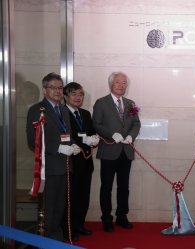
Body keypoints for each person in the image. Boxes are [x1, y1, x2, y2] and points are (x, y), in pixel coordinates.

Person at [26, 72, 81, 241]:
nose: (57, 91)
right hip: (48, 167)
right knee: (48, 208)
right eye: (53, 87)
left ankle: (56, 238)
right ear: (44, 90)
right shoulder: (37, 110)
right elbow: (33, 139)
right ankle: (45, 239)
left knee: (59, 207)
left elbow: (67, 134)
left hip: (64, 166)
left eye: (60, 87)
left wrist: (72, 144)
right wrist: (58, 148)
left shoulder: (63, 110)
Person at [92, 71, 141, 232]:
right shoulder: (101, 103)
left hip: (126, 151)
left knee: (124, 187)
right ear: (111, 84)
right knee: (106, 186)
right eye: (118, 82)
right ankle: (106, 218)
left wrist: (131, 137)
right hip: (108, 151)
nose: (121, 85)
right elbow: (97, 124)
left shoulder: (130, 103)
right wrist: (112, 134)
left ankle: (122, 216)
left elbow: (136, 124)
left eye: (124, 83)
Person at [61, 82, 99, 241]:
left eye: (80, 94)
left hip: (85, 162)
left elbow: (90, 132)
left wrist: (94, 138)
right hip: (70, 162)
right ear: (65, 96)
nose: (78, 97)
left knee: (83, 196)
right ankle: (67, 228)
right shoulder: (61, 113)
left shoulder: (84, 113)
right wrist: (78, 142)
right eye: (74, 94)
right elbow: (63, 136)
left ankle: (79, 225)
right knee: (70, 198)